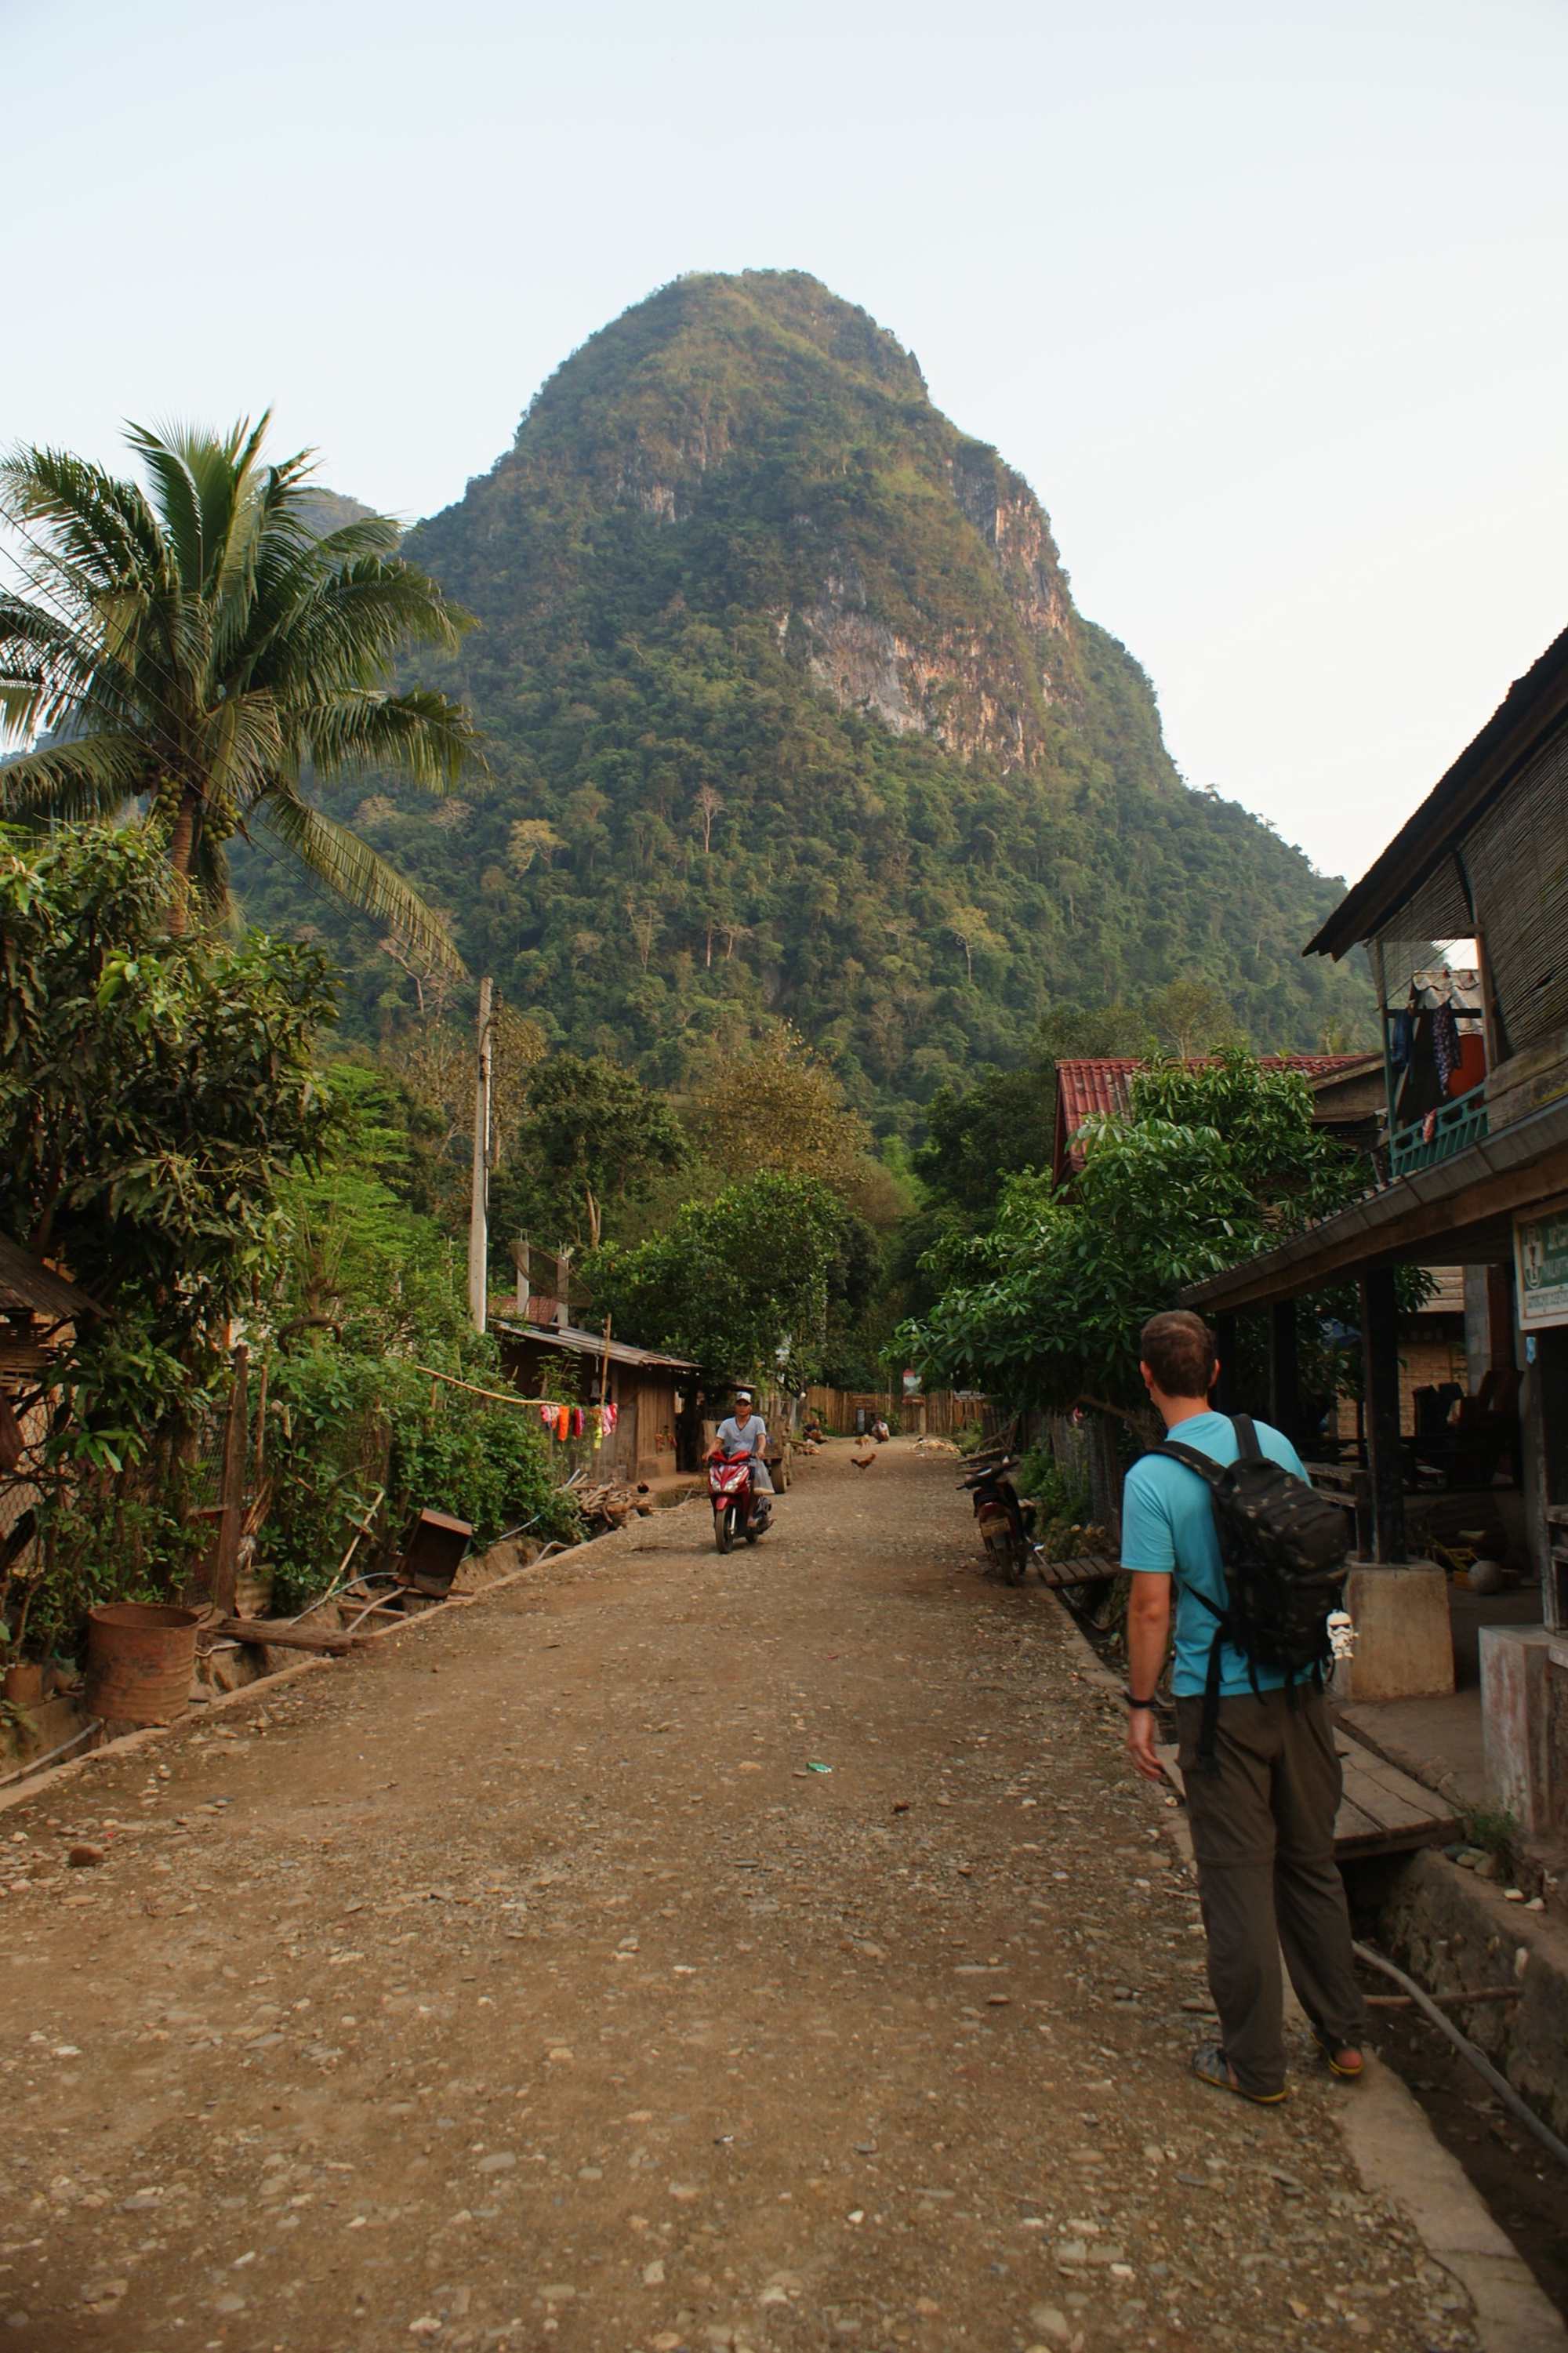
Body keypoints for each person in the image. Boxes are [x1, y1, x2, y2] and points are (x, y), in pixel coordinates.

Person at [1120, 1309, 1366, 2105]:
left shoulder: (1151, 1478)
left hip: (1218, 1706)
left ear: (1147, 1376)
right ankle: (1344, 2040)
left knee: (1235, 1882)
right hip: (1298, 1686)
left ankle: (1253, 2065)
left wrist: (1138, 1707)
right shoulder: (1270, 1443)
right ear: (1216, 1373)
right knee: (1310, 1865)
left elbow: (1151, 1608)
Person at [713, 1388, 773, 1520]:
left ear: (750, 1407)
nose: (742, 1407)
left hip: (750, 1461)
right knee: (715, 1481)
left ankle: (751, 1514)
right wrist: (708, 1453)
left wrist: (761, 1450)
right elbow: (718, 1441)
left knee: (754, 1484)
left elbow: (761, 1438)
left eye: (745, 1405)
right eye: (739, 1404)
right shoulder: (726, 1423)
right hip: (730, 1462)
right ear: (735, 1406)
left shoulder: (758, 1422)